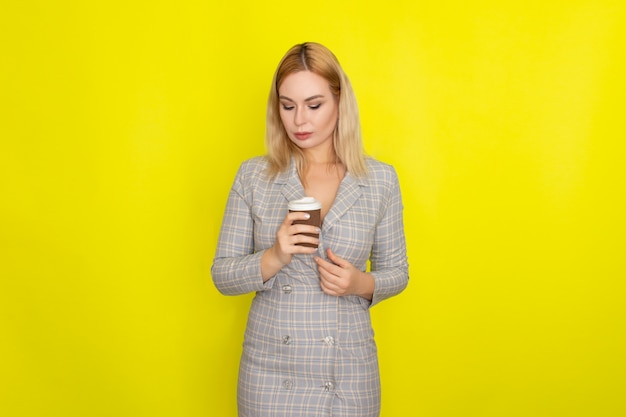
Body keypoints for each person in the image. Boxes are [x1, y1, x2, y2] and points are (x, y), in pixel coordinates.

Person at [212, 42, 409, 417]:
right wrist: (274, 256)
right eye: (287, 106)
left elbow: (398, 272)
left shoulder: (380, 179)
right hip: (270, 373)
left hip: (348, 370)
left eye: (314, 105)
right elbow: (222, 276)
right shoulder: (253, 176)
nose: (299, 120)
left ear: (340, 102)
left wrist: (359, 284)